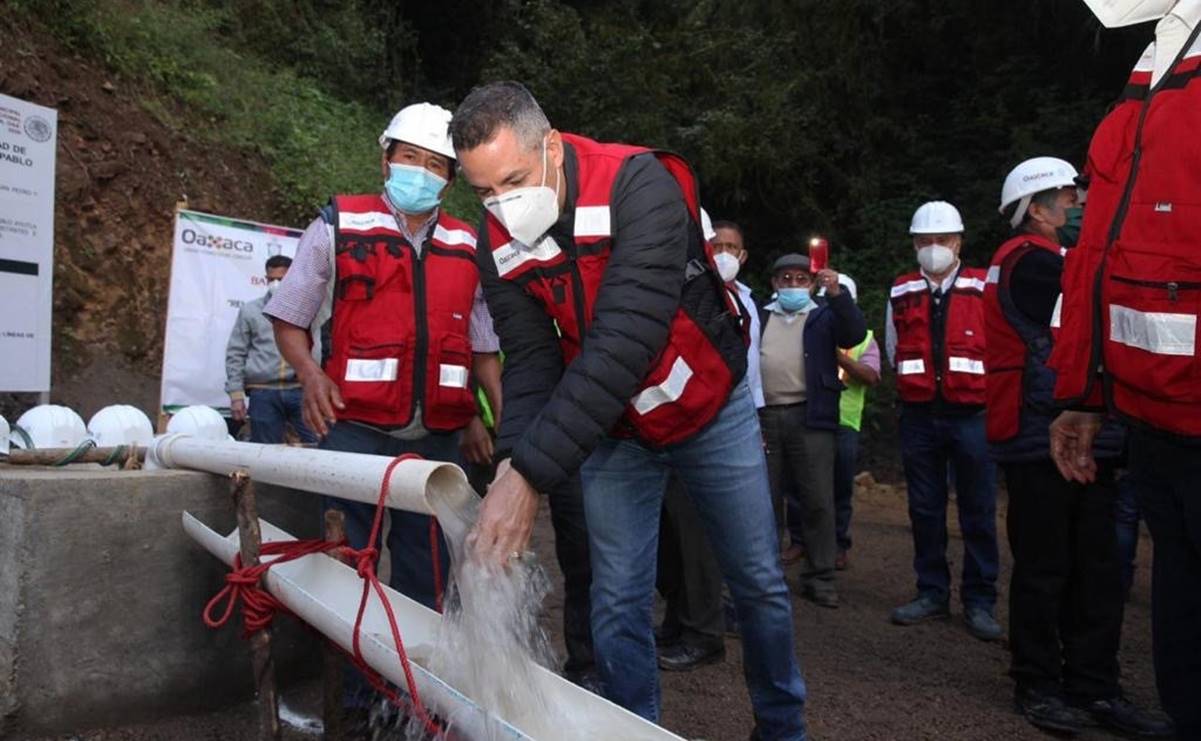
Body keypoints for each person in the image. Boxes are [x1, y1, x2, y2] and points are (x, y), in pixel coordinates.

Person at [450, 81, 808, 739]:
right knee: (615, 598)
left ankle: (782, 725)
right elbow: (530, 361)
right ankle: (632, 728)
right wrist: (509, 465)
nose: (501, 205)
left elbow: (625, 340)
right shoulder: (495, 238)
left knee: (755, 580)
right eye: (482, 192)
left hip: (705, 406)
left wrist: (530, 476)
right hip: (613, 426)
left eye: (513, 179)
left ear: (552, 147)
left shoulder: (640, 185)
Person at [264, 102, 506, 712]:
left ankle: (412, 699)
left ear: (452, 178)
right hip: (356, 436)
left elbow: (481, 349)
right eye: (410, 159)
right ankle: (354, 699)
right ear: (386, 159)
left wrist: (496, 424)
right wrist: (311, 373)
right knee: (353, 570)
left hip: (439, 444)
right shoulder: (338, 225)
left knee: (429, 576)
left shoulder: (469, 243)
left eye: (436, 165)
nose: (421, 173)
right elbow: (290, 316)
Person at [1049, 2, 1201, 735]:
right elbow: (1099, 258)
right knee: (1181, 628)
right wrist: (1083, 392)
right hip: (1153, 419)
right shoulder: (1160, 52)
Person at [988, 157, 1169, 736]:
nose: (1081, 206)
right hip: (1042, 434)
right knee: (1047, 566)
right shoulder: (1030, 265)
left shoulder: (1056, 263)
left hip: (1083, 432)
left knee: (1097, 567)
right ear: (1035, 209)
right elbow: (1088, 320)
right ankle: (1040, 684)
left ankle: (1094, 686)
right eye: (1069, 199)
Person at [885, 200, 1001, 641]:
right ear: (915, 244)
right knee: (925, 509)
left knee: (978, 509)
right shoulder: (901, 290)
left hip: (973, 415)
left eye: (941, 240)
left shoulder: (983, 286)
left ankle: (980, 600)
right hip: (919, 416)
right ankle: (931, 591)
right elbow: (895, 349)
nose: (933, 247)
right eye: (924, 241)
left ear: (958, 242)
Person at [656, 214, 760, 671]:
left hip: (703, 428)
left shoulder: (728, 301)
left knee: (696, 538)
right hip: (663, 428)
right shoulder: (671, 287)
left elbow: (739, 375)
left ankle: (704, 632)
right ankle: (681, 618)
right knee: (670, 538)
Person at [759, 253, 868, 609]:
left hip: (812, 416)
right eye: (785, 279)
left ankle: (820, 577)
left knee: (818, 499)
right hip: (765, 417)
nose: (792, 285)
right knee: (764, 500)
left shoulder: (823, 315)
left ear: (811, 283)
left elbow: (854, 331)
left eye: (800, 279)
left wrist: (836, 293)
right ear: (775, 284)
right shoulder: (759, 315)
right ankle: (765, 578)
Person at [224, 255, 316, 445]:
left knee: (316, 446)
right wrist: (236, 395)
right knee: (265, 453)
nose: (275, 284)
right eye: (271, 279)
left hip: (301, 391)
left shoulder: (310, 310)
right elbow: (236, 353)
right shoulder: (250, 311)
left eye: (281, 280)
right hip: (263, 393)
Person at [830, 275, 880, 570]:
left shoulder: (865, 338)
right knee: (802, 487)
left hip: (845, 422)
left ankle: (838, 544)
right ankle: (803, 543)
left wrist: (840, 359)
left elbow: (872, 376)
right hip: (810, 419)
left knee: (839, 488)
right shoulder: (811, 329)